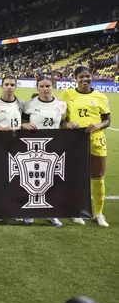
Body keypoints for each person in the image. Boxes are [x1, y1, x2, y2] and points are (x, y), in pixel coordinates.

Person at [22, 75, 76, 227]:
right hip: (33, 147)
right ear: (37, 88)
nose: (45, 89)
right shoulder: (29, 105)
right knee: (32, 179)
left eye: (48, 86)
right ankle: (29, 212)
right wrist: (24, 125)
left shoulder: (61, 105)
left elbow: (64, 122)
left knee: (52, 180)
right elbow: (23, 123)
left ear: (52, 86)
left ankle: (52, 213)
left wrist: (70, 124)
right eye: (42, 86)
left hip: (54, 147)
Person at [62, 66, 112, 227]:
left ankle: (98, 213)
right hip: (76, 141)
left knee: (98, 175)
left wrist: (99, 125)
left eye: (88, 76)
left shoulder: (101, 97)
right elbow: (61, 121)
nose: (85, 80)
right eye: (81, 77)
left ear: (92, 77)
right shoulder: (67, 95)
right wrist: (68, 123)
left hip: (96, 140)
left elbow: (107, 120)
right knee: (76, 176)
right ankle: (76, 211)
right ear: (75, 78)